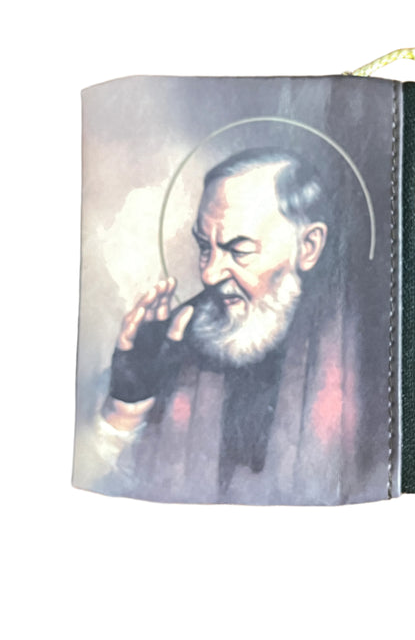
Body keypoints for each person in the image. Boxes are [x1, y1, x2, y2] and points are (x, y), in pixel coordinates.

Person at [99, 147, 357, 504]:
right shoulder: (178, 335)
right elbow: (104, 479)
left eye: (239, 251)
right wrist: (127, 405)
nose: (209, 274)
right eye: (204, 248)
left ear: (308, 246)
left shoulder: (348, 353)